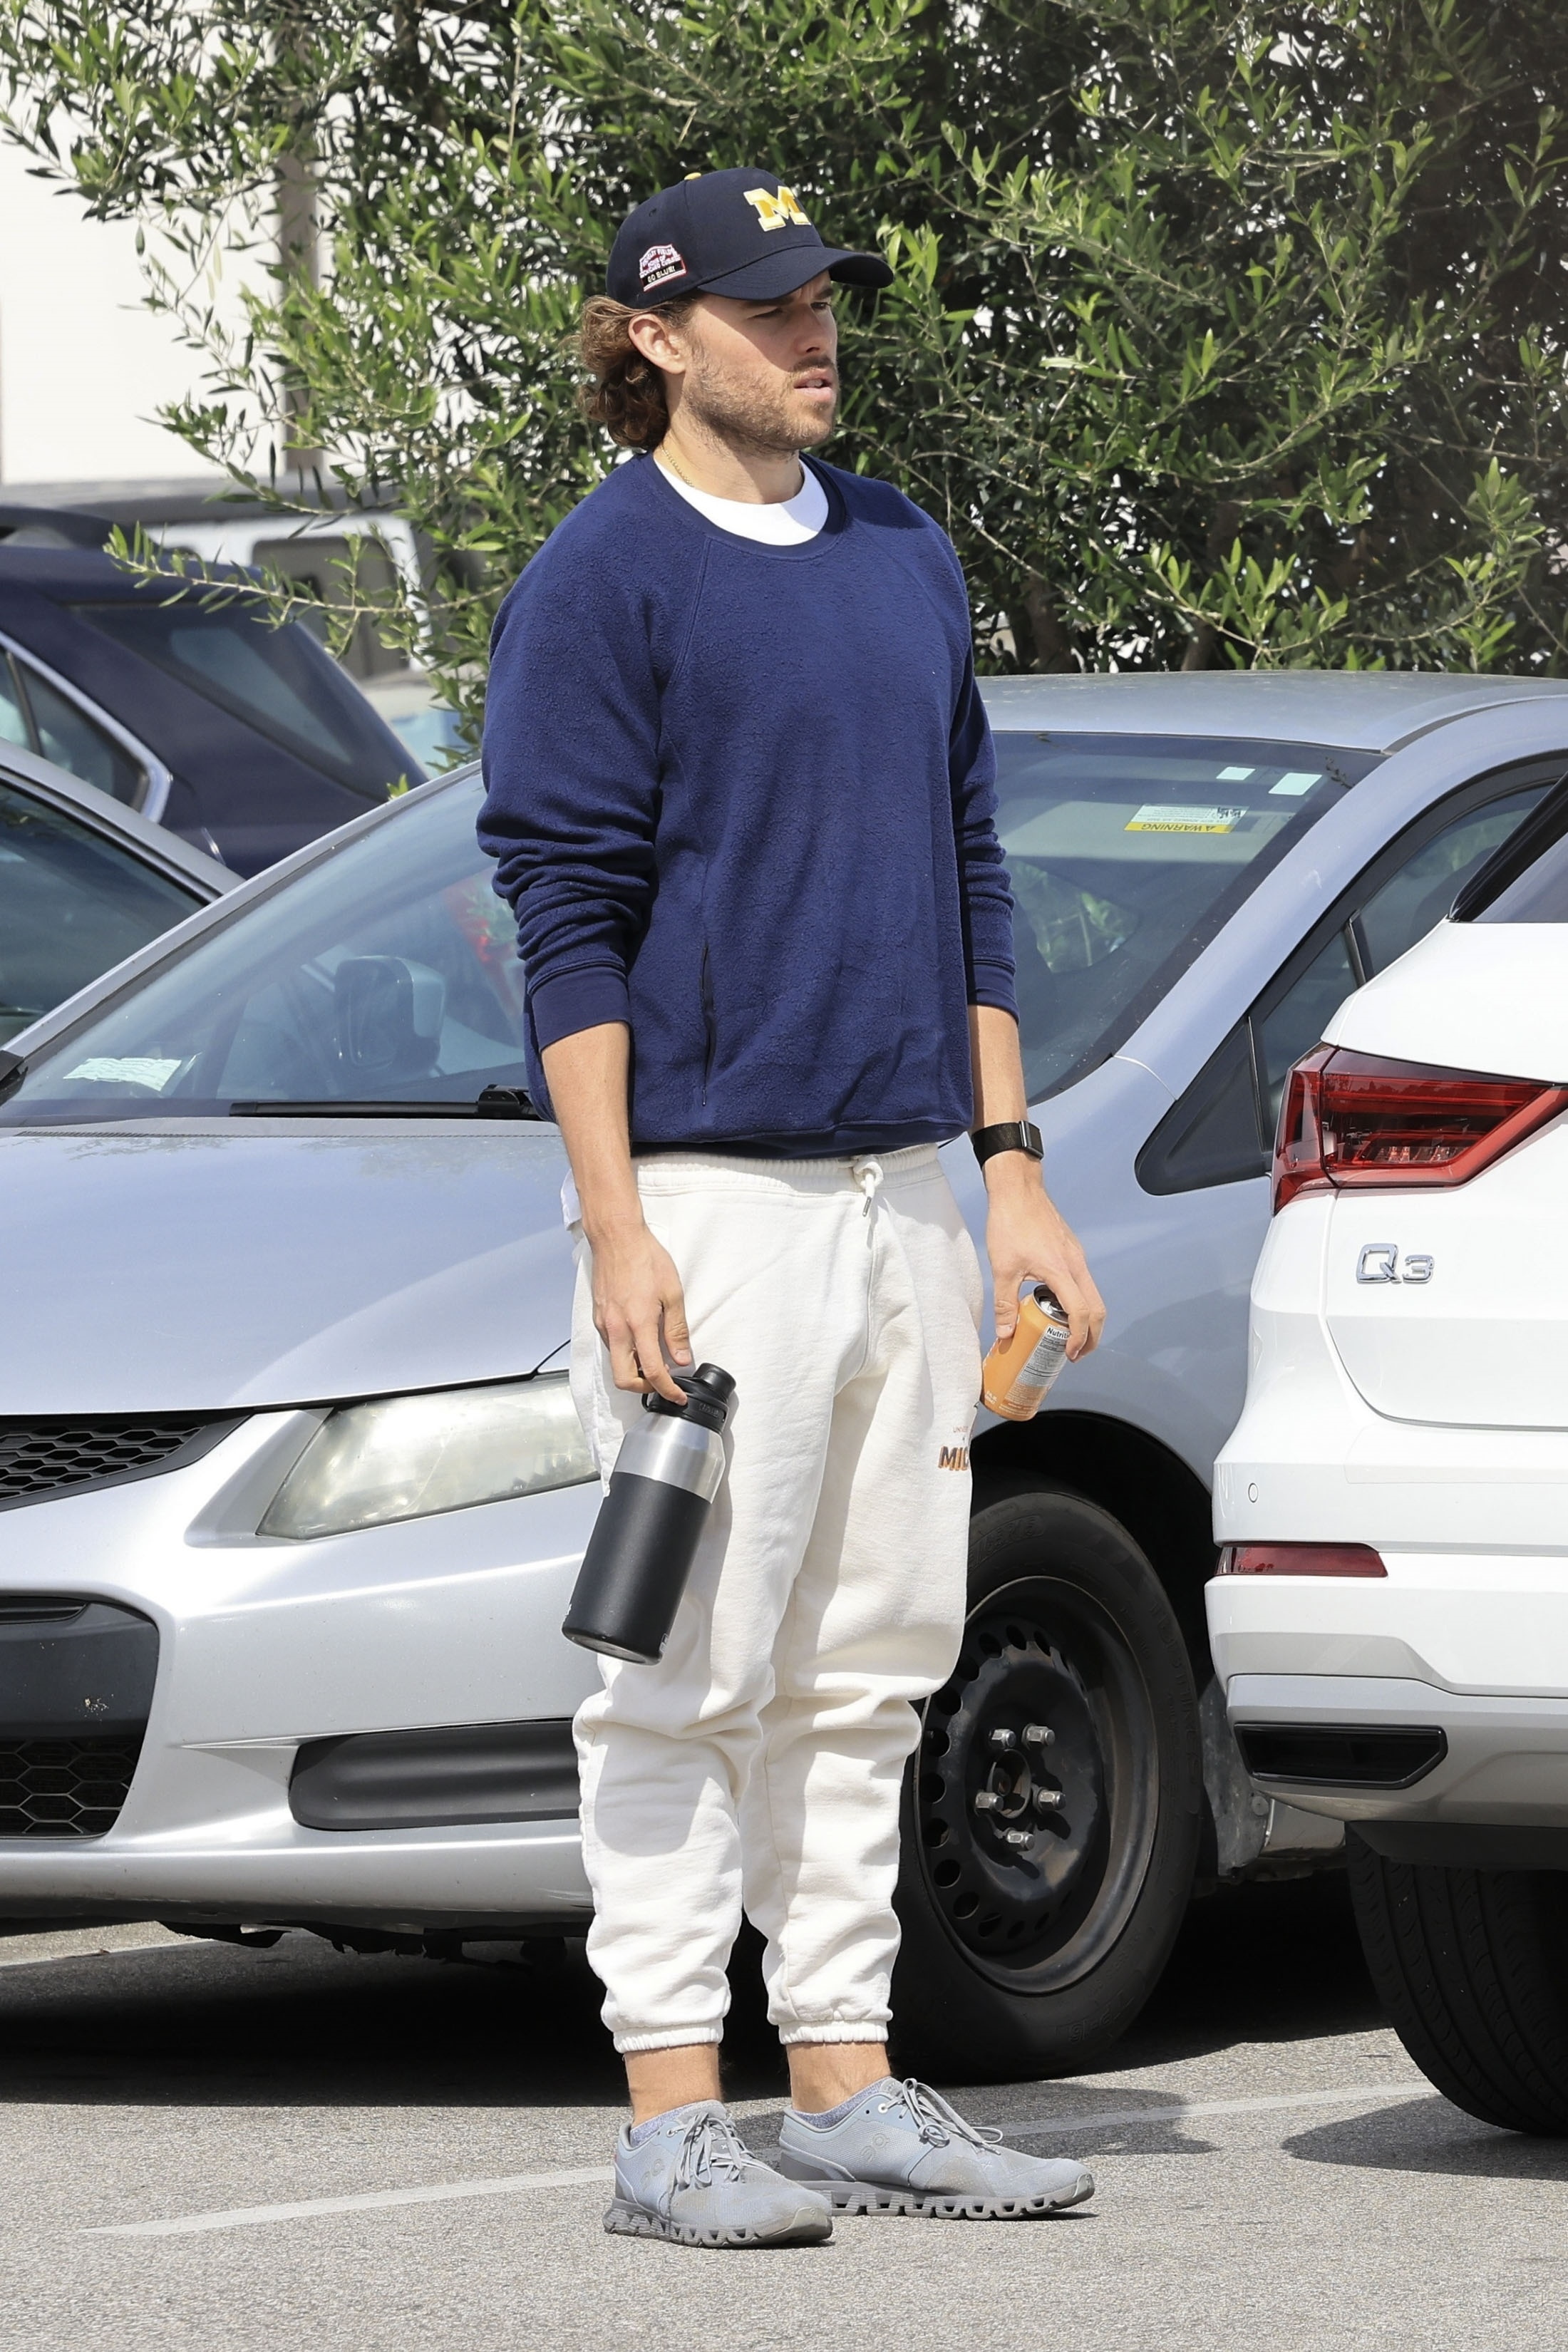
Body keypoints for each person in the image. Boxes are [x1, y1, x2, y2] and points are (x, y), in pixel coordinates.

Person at [478, 167, 1106, 2249]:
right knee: (679, 1664)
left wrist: (1010, 1172)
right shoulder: (602, 579)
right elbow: (566, 917)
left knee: (873, 1658)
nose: (814, 332)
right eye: (766, 308)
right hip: (708, 1203)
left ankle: (840, 2077)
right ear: (655, 335)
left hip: (908, 1189)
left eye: (824, 296)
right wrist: (614, 1226)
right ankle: (673, 2112)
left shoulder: (904, 550)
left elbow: (972, 869)